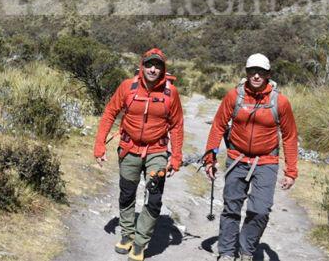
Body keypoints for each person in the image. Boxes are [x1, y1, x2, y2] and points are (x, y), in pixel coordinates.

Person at [202, 53, 298, 261]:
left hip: (266, 161)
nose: (256, 75)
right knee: (231, 208)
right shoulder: (234, 96)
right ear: (246, 72)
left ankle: (246, 250)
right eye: (252, 71)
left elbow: (290, 136)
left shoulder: (280, 102)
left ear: (268, 74)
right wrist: (210, 158)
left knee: (260, 210)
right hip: (236, 158)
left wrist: (291, 171)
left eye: (261, 72)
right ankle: (227, 252)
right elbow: (218, 126)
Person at [94, 48, 184, 261]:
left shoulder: (171, 93)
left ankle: (140, 242)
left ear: (163, 69)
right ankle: (127, 234)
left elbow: (177, 125)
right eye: (149, 64)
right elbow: (109, 113)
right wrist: (99, 145)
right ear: (142, 66)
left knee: (154, 198)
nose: (153, 69)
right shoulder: (128, 87)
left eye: (157, 66)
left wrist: (176, 157)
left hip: (157, 151)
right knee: (127, 193)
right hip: (129, 148)